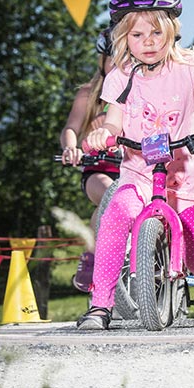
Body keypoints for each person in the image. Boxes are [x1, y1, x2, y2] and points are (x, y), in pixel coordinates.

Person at [78, 0, 194, 329]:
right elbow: (113, 123)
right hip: (139, 170)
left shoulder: (190, 68)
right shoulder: (120, 77)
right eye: (137, 34)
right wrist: (102, 135)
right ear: (123, 37)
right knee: (116, 215)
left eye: (157, 32)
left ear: (172, 28)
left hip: (185, 174)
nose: (148, 42)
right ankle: (101, 305)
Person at [59, 29, 118, 292]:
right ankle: (92, 256)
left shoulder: (143, 90)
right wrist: (71, 147)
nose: (119, 64)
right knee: (109, 192)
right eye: (113, 57)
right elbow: (71, 127)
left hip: (136, 168)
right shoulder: (88, 93)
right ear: (102, 60)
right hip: (100, 168)